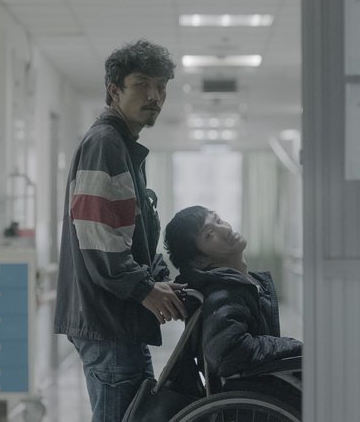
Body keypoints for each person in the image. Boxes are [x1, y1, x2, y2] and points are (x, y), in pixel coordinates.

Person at [54, 39, 187, 422]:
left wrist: (157, 280)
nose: (154, 96)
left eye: (161, 86)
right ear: (114, 90)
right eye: (142, 84)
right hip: (107, 319)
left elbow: (127, 234)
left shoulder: (123, 146)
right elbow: (99, 238)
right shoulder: (105, 144)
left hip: (117, 318)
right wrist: (144, 289)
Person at [164, 205, 302, 381]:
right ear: (199, 261)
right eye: (209, 234)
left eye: (218, 220)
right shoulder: (223, 293)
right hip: (256, 391)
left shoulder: (237, 285)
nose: (225, 228)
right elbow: (227, 353)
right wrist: (292, 346)